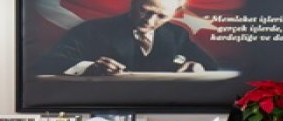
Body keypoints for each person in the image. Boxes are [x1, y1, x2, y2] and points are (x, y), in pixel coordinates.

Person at [31, 0, 218, 76]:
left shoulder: (177, 34)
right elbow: (46, 63)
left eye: (161, 16)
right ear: (133, 3)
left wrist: (198, 66)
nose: (149, 21)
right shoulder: (92, 30)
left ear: (174, 14)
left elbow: (211, 66)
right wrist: (90, 67)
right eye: (144, 11)